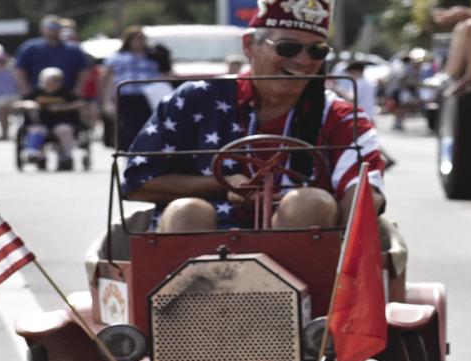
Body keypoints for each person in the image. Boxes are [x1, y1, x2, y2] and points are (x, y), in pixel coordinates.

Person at [123, 0, 386, 233]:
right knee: (188, 212)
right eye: (288, 48)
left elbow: (363, 194)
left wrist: (357, 208)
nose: (305, 61)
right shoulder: (197, 98)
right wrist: (220, 184)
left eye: (317, 51)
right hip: (203, 252)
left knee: (309, 203)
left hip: (302, 255)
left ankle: (285, 287)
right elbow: (136, 183)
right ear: (250, 46)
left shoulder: (340, 116)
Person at [101, 27, 162, 148]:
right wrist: (107, 102)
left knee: (150, 126)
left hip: (149, 97)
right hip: (127, 96)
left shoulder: (153, 56)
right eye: (135, 39)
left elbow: (166, 74)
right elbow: (107, 80)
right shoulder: (117, 57)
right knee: (129, 128)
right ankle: (130, 153)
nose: (139, 42)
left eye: (141, 39)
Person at [17, 67, 84, 170]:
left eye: (55, 81)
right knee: (37, 130)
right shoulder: (36, 93)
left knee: (63, 130)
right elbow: (18, 103)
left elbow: (80, 103)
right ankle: (34, 153)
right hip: (41, 123)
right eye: (49, 81)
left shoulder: (66, 93)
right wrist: (29, 104)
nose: (52, 84)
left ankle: (66, 156)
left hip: (62, 122)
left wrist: (62, 108)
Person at [15, 16, 91, 95]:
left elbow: (84, 70)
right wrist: (26, 89)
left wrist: (78, 89)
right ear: (42, 29)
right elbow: (19, 69)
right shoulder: (30, 48)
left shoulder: (74, 49)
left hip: (67, 96)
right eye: (50, 26)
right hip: (37, 95)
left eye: (57, 27)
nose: (53, 29)